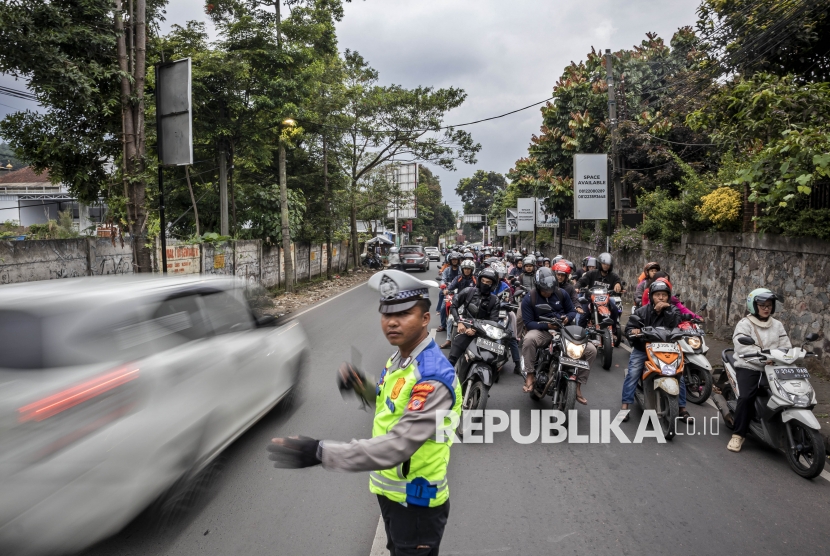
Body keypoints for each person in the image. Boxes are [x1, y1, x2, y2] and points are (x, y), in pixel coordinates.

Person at [267, 270, 461, 556]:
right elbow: (391, 402)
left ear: (425, 319)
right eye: (386, 314)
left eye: (405, 313)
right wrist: (363, 386)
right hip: (393, 494)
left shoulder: (432, 376)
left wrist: (322, 452)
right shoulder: (402, 358)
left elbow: (399, 445)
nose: (392, 321)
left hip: (417, 503)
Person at [727, 288, 791, 453]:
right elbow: (741, 346)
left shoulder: (777, 325)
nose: (766, 308)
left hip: (773, 366)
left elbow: (786, 345)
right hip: (750, 366)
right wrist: (762, 358)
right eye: (762, 305)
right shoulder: (745, 323)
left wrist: (782, 356)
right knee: (747, 396)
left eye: (769, 305)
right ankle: (738, 434)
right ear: (753, 306)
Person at [621, 279, 693, 422]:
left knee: (679, 375)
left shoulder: (673, 310)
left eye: (664, 295)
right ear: (652, 296)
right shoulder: (642, 311)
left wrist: (665, 311)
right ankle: (625, 406)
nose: (661, 297)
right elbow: (629, 328)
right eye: (658, 295)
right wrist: (634, 331)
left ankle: (682, 408)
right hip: (643, 349)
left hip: (668, 349)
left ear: (668, 296)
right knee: (633, 373)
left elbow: (674, 323)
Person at [521, 267, 580, 394]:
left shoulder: (561, 293)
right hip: (543, 330)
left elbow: (572, 311)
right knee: (529, 339)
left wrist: (567, 318)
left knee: (590, 349)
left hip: (563, 330)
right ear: (538, 287)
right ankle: (530, 374)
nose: (548, 293)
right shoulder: (529, 298)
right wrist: (547, 326)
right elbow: (529, 323)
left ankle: (579, 384)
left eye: (550, 290)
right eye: (545, 290)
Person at [446, 268, 501, 365]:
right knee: (451, 360)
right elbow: (453, 306)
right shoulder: (468, 291)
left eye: (488, 282)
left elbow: (493, 321)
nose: (485, 284)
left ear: (492, 285)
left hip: (485, 334)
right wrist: (459, 322)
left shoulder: (495, 300)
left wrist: (476, 330)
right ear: (479, 281)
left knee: (496, 361)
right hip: (465, 330)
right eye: (483, 281)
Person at [577, 252, 622, 328]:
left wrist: (618, 284)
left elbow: (619, 283)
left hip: (606, 301)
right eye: (604, 264)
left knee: (615, 310)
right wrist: (577, 287)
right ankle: (581, 333)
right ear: (600, 264)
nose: (606, 266)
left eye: (608, 264)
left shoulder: (613, 276)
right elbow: (581, 281)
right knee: (583, 316)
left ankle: (613, 331)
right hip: (590, 300)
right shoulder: (592, 273)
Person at [437, 252, 461, 332]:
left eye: (456, 260)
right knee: (443, 307)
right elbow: (443, 280)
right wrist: (443, 287)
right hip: (449, 291)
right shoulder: (446, 270)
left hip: (460, 291)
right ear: (450, 261)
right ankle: (443, 325)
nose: (454, 261)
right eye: (453, 260)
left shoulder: (461, 269)